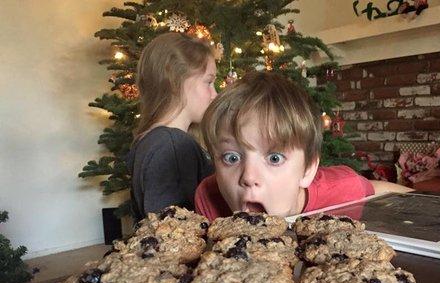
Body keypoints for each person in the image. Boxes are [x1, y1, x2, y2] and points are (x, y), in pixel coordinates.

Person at [194, 71, 411, 221]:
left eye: (274, 158)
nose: (248, 177)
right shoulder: (209, 197)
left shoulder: (342, 187)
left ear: (307, 169)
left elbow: (378, 189)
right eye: (231, 158)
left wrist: (434, 202)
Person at [126, 32, 217, 221]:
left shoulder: (150, 140)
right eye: (209, 82)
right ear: (175, 81)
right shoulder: (171, 144)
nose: (214, 94)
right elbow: (171, 231)